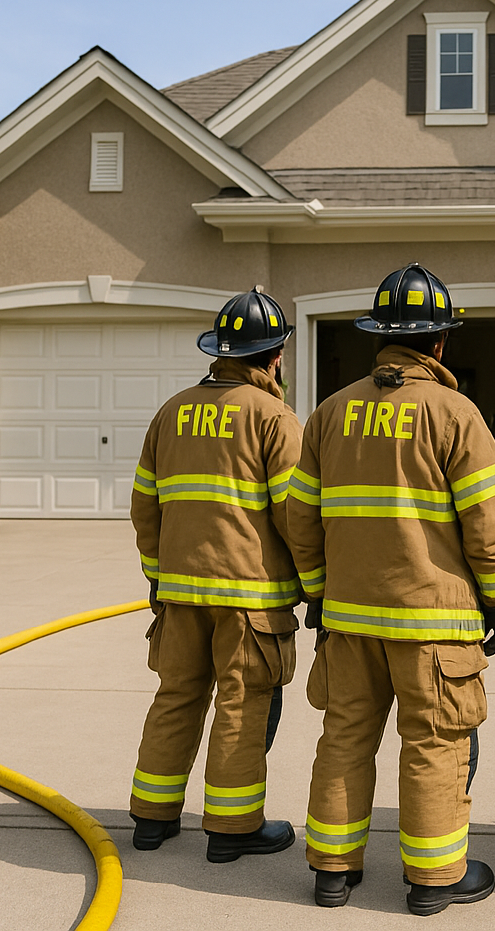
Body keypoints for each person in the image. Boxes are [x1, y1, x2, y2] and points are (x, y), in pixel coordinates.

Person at [289, 263, 495, 915]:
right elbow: (487, 523)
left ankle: (332, 873)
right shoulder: (455, 413)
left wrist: (317, 594)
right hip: (435, 625)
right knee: (436, 745)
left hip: (350, 618)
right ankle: (433, 881)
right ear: (441, 341)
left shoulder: (330, 413)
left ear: (377, 338)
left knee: (344, 739)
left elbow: (300, 518)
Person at [127, 287, 304, 863]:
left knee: (176, 695)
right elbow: (296, 516)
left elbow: (145, 506)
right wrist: (315, 583)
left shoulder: (170, 412)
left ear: (219, 351)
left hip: (178, 592)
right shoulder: (273, 417)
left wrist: (158, 577)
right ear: (274, 356)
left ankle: (152, 818)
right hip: (249, 598)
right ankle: (231, 830)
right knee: (242, 702)